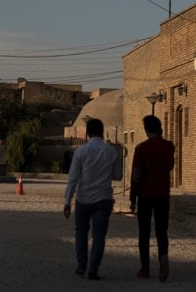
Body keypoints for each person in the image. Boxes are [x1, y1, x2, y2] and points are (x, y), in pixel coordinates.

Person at [63, 118, 121, 280]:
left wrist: (67, 201)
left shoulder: (80, 152)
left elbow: (73, 178)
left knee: (81, 231)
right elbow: (118, 176)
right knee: (99, 235)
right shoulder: (111, 152)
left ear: (87, 133)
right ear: (103, 133)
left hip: (84, 198)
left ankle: (82, 264)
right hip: (103, 198)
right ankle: (93, 269)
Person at [129, 115, 176, 281]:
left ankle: (145, 268)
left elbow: (136, 175)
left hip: (145, 195)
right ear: (160, 127)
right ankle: (163, 255)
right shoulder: (169, 146)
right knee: (161, 230)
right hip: (163, 194)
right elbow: (170, 166)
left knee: (144, 232)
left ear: (146, 129)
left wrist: (132, 198)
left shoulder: (141, 148)